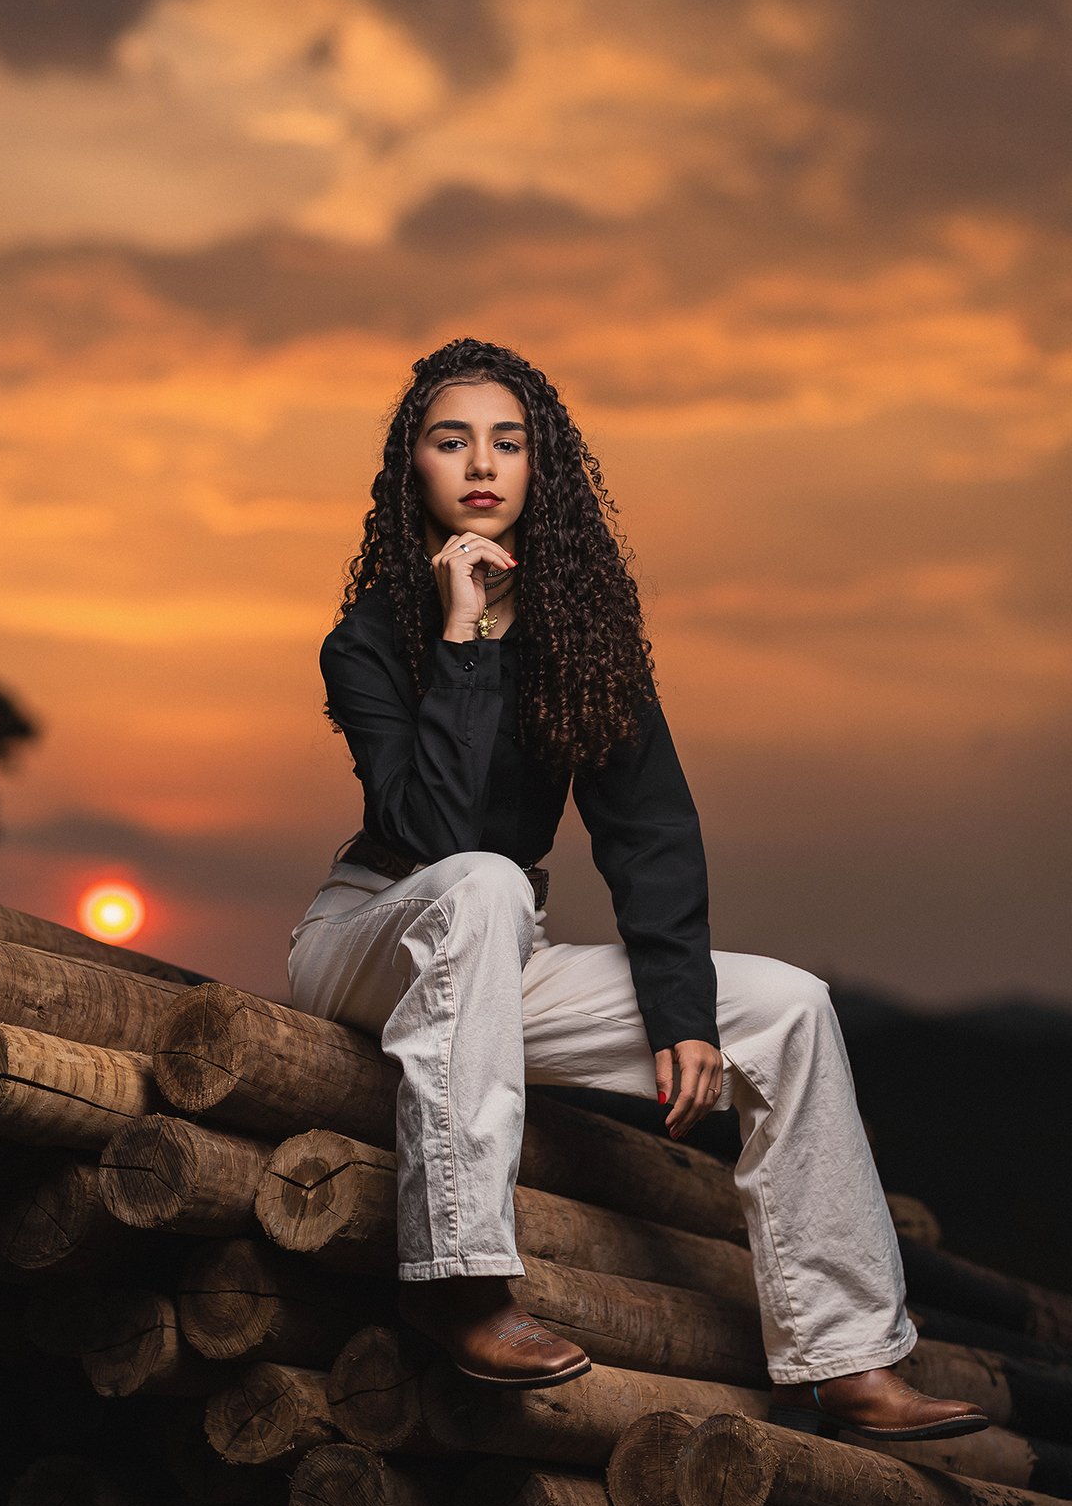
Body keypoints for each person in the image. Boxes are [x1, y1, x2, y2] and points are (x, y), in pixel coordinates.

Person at [288, 337, 988, 1442]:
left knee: (789, 1005)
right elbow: (426, 832)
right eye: (450, 439)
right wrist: (465, 630)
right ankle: (460, 1283)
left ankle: (847, 1360)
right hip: (371, 936)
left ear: (541, 469)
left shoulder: (585, 645)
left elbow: (651, 831)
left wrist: (682, 1013)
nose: (482, 462)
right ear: (410, 467)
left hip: (496, 949)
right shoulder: (371, 638)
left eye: (508, 442)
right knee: (479, 883)